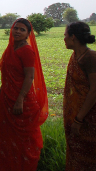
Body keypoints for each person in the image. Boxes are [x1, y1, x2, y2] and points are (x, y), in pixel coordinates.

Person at [0, 18, 48, 171]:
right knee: (5, 136)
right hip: (7, 97)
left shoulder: (27, 50)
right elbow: (7, 73)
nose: (18, 31)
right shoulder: (11, 48)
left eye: (22, 29)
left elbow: (29, 77)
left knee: (22, 141)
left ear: (28, 33)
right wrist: (2, 89)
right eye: (16, 28)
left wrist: (20, 99)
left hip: (21, 100)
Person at [62, 21, 96, 171]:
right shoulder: (76, 56)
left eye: (65, 35)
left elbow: (94, 90)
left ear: (73, 37)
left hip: (89, 117)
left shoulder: (90, 58)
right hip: (77, 115)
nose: (64, 39)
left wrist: (79, 118)